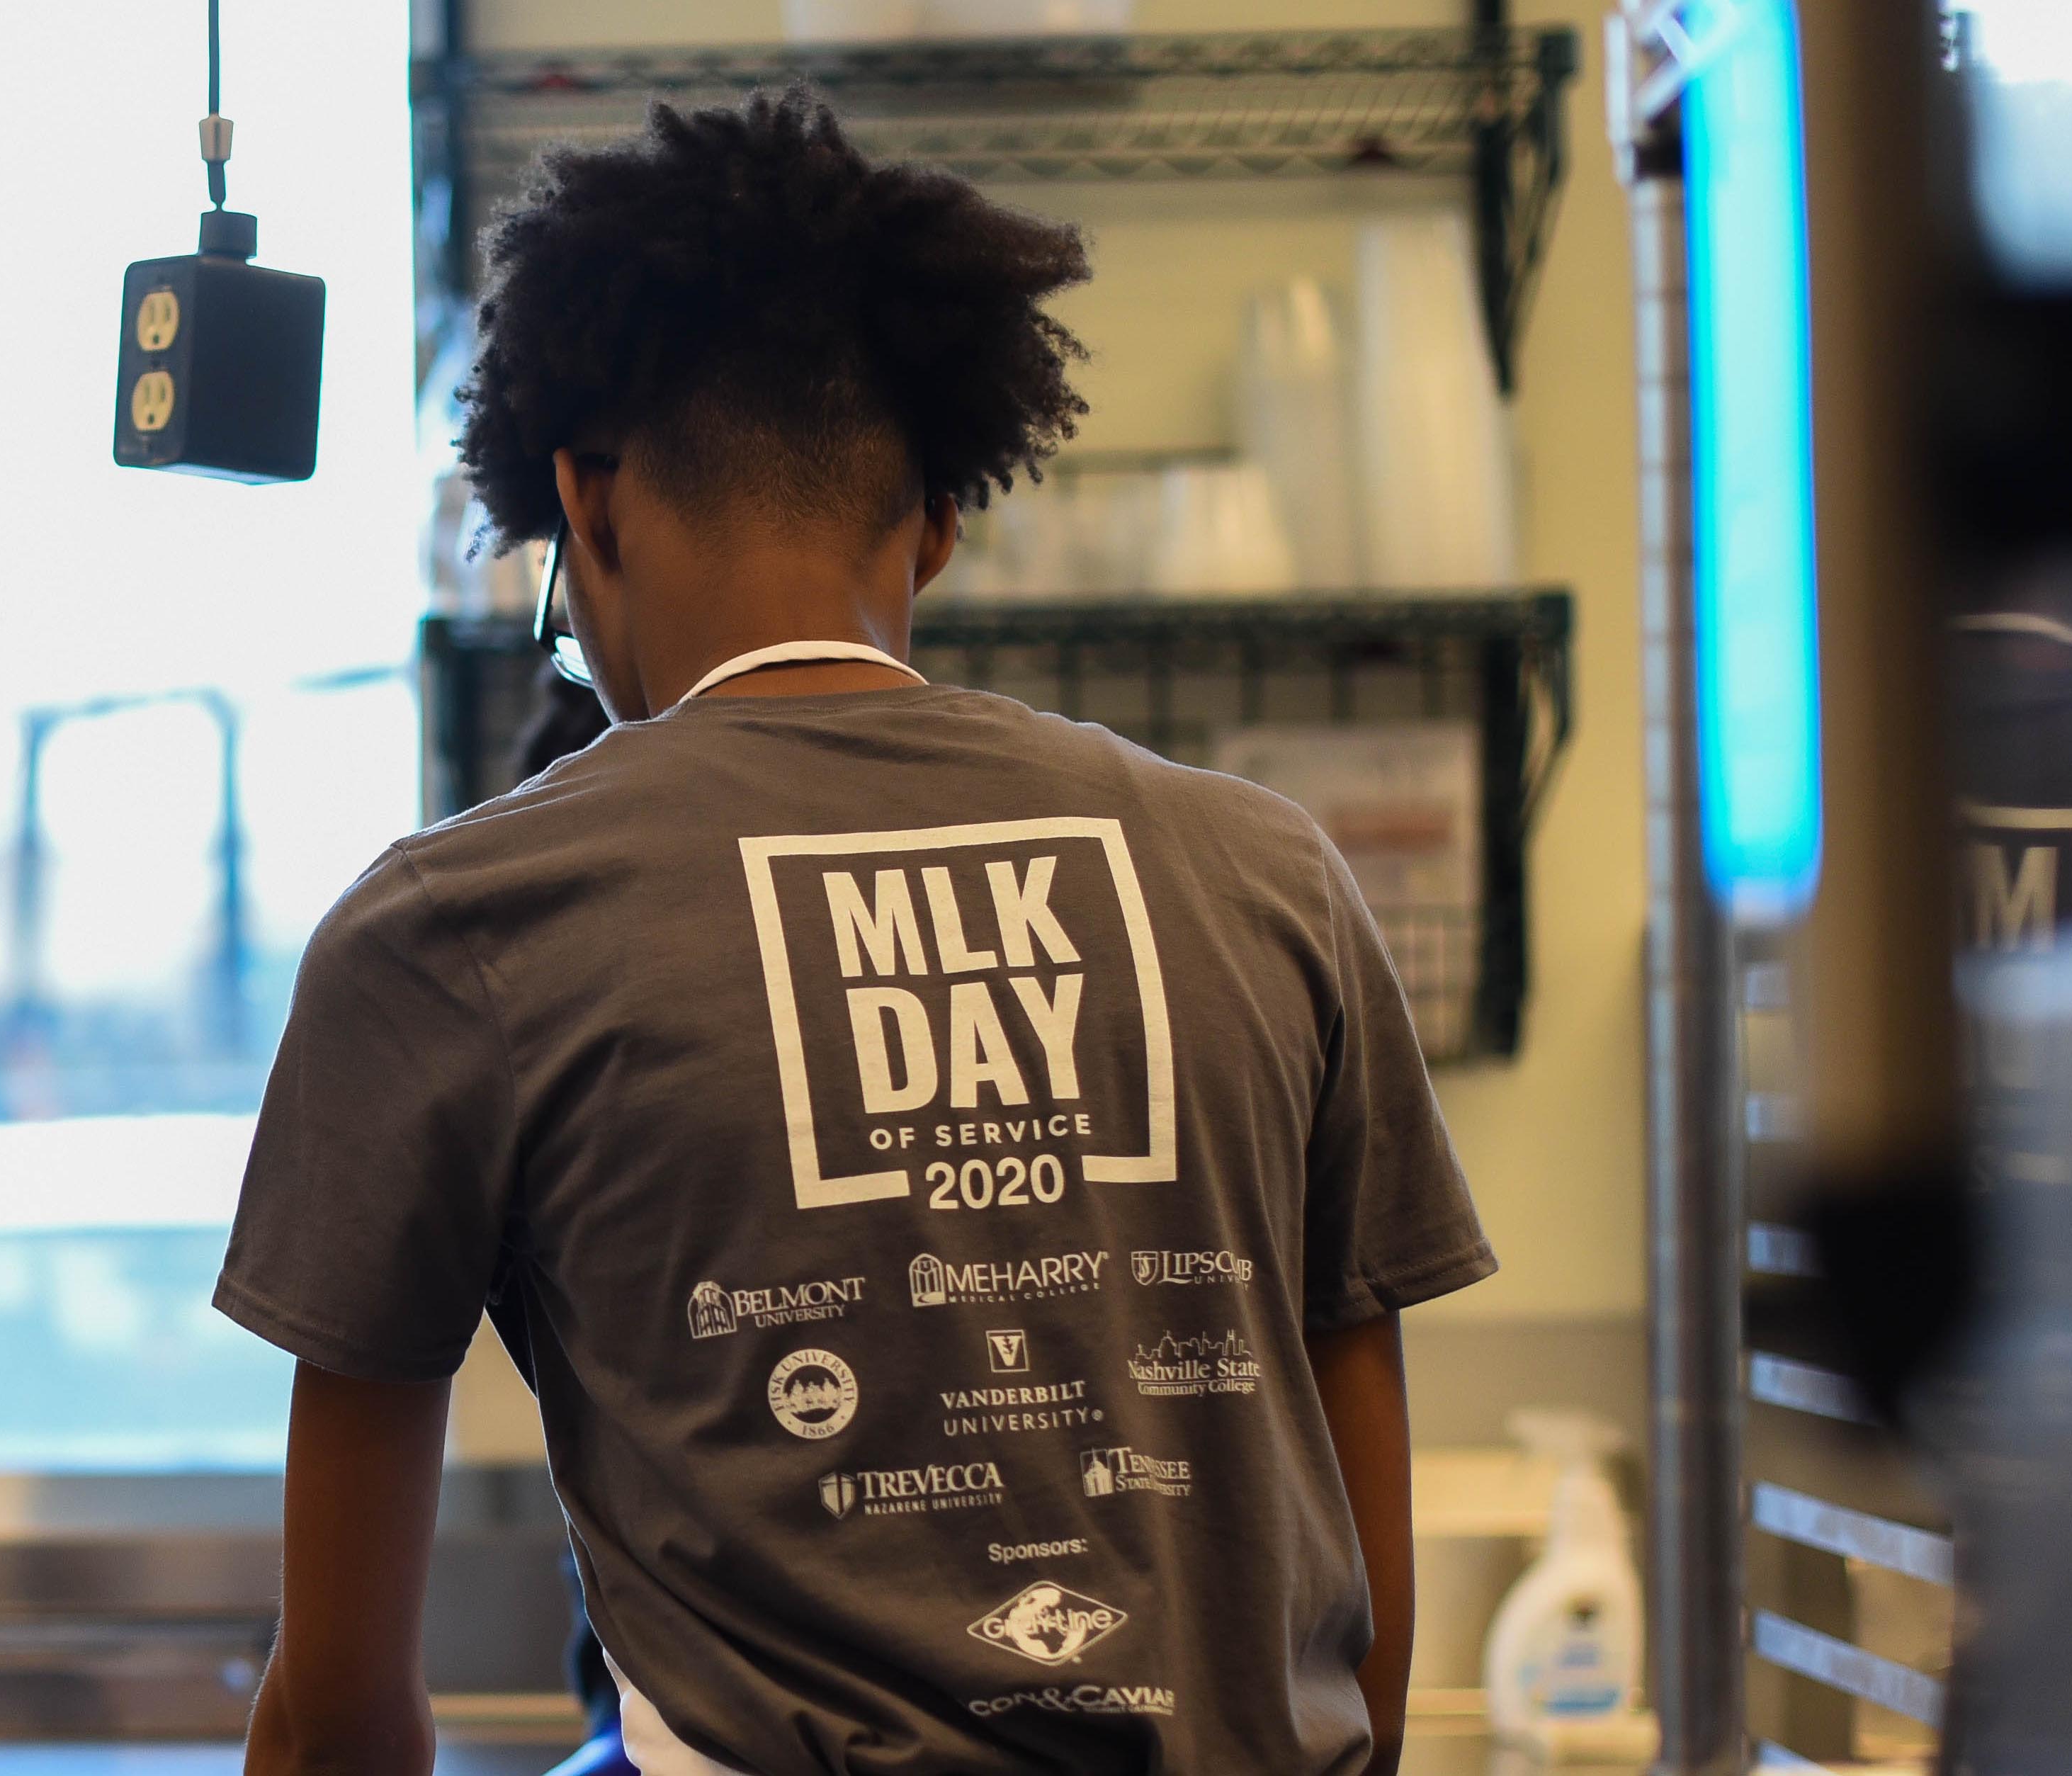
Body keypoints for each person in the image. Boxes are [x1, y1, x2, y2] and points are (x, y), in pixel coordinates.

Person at [216, 94, 1493, 1776]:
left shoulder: (448, 932)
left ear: (584, 505)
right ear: (939, 523)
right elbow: (1359, 1541)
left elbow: (343, 1705)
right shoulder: (1267, 871)